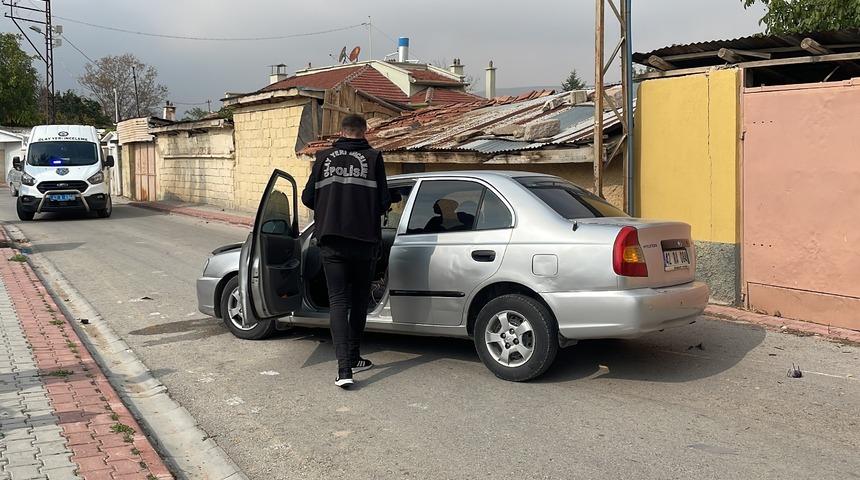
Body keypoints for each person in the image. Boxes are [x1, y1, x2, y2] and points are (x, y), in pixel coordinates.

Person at [301, 114, 391, 388]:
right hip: (363, 242)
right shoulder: (374, 158)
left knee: (338, 302)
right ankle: (353, 355)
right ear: (366, 130)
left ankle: (344, 370)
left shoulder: (322, 158)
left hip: (331, 241)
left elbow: (307, 198)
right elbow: (384, 202)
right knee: (359, 300)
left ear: (340, 131)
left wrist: (332, 203)